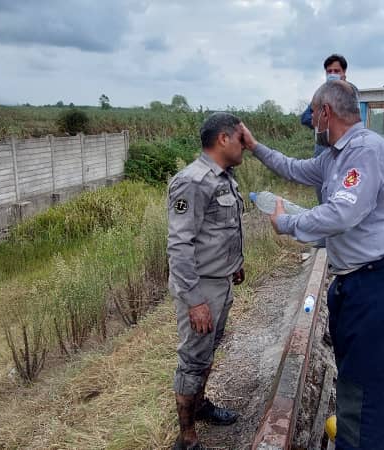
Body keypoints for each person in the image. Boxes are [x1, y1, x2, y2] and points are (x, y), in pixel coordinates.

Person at [239, 80, 384, 450]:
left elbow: (342, 212)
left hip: (380, 286)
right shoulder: (335, 156)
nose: (311, 123)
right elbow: (292, 168)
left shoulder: (365, 151)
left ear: (325, 113)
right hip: (357, 285)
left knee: (366, 394)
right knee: (355, 384)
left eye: (312, 113)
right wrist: (255, 147)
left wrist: (287, 223)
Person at [166, 112, 247, 450]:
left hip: (221, 282)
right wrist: (195, 301)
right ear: (223, 139)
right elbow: (179, 244)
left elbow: (219, 230)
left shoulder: (224, 177)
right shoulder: (193, 181)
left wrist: (235, 263)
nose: (246, 146)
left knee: (208, 352)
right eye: (241, 139)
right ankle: (186, 439)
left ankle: (200, 407)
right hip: (201, 290)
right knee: (193, 359)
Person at [300, 54, 360, 205]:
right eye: (329, 71)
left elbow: (351, 121)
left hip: (345, 155)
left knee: (343, 196)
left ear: (344, 73)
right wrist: (325, 123)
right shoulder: (323, 93)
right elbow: (306, 117)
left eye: (336, 71)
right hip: (323, 152)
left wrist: (325, 120)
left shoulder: (351, 93)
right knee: (323, 196)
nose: (333, 74)